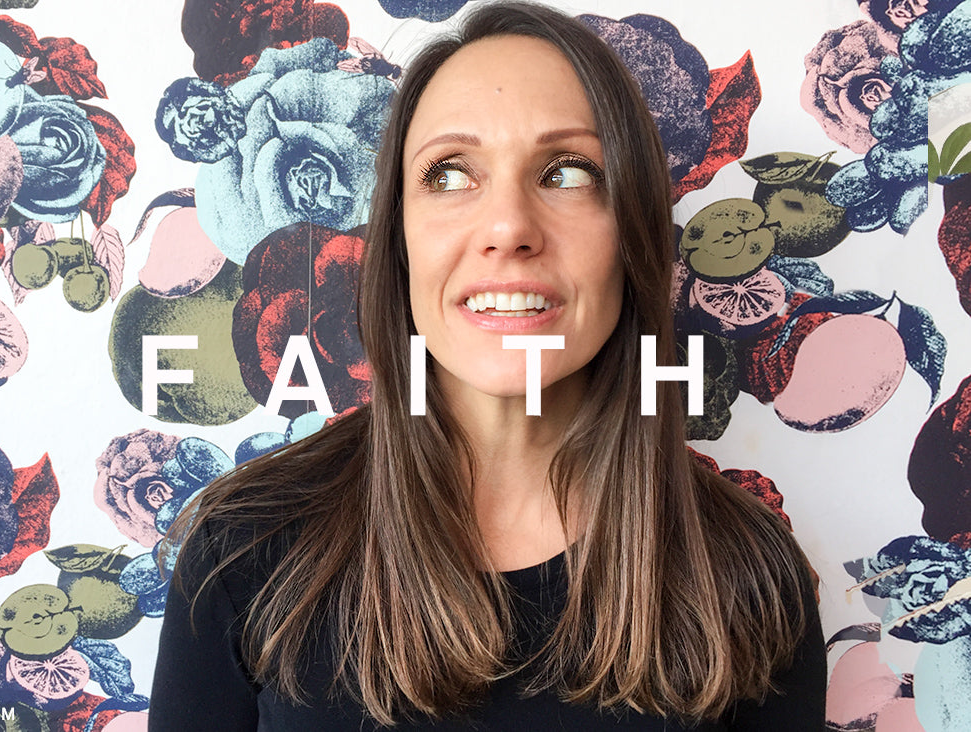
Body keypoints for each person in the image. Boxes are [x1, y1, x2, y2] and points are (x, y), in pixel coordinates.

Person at [148, 2, 827, 730]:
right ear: (399, 241)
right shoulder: (243, 551)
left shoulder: (751, 578)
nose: (508, 226)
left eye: (568, 172)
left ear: (631, 234)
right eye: (449, 174)